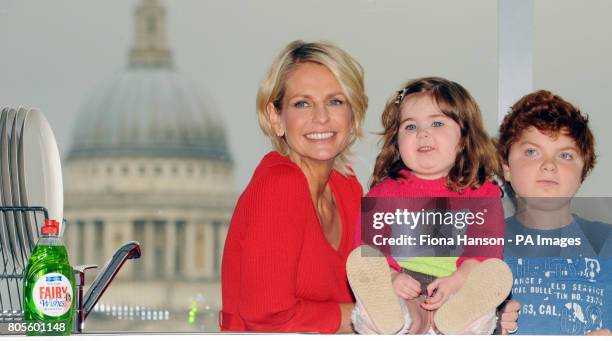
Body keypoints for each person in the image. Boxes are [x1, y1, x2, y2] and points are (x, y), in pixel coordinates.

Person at [219, 40, 367, 333]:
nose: (321, 117)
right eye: (303, 103)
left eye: (335, 101)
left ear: (353, 115)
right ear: (276, 118)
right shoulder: (280, 185)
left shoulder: (348, 188)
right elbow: (266, 315)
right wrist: (365, 317)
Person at [347, 77, 513, 334]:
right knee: (394, 302)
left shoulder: (482, 193)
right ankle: (397, 319)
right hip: (405, 281)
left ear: (464, 137)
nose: (422, 133)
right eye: (410, 126)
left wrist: (454, 283)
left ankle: (455, 323)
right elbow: (369, 246)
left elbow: (484, 247)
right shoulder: (383, 193)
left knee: (480, 279)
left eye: (437, 123)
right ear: (397, 141)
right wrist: (392, 277)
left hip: (457, 286)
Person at [499, 89, 611, 335]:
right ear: (506, 168)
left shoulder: (606, 242)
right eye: (532, 152)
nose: (549, 165)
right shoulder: (480, 244)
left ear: (583, 172)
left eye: (565, 155)